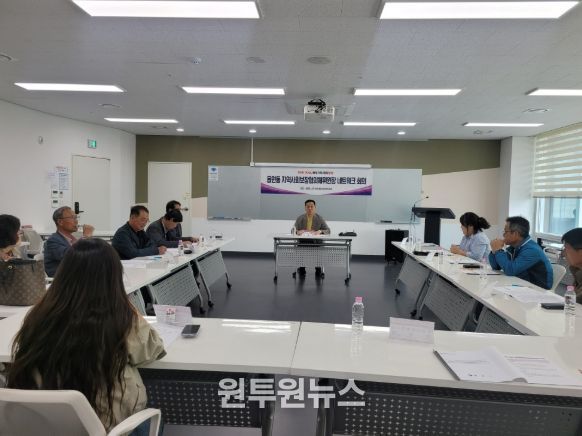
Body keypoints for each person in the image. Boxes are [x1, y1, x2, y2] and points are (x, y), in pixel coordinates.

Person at [7, 238, 166, 434]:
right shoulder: (120, 318)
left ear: (64, 273)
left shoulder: (39, 315)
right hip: (107, 427)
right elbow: (151, 350)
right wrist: (127, 305)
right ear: (113, 276)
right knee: (156, 420)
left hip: (46, 424)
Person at [489, 216, 553, 289]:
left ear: (515, 234)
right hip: (520, 285)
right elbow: (496, 267)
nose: (503, 235)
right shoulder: (514, 247)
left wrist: (498, 250)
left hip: (537, 290)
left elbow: (510, 270)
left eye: (505, 232)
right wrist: (494, 250)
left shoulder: (531, 250)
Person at [44, 206, 95, 277]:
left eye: (76, 217)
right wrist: (86, 237)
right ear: (60, 222)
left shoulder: (72, 239)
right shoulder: (53, 241)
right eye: (72, 218)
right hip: (63, 278)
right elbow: (72, 257)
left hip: (76, 275)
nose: (76, 221)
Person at [294, 199, 331, 277]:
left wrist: (320, 231)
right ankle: (302, 268)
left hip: (316, 242)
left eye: (312, 206)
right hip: (303, 242)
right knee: (300, 247)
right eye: (308, 207)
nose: (310, 208)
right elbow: (293, 230)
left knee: (318, 248)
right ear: (305, 208)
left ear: (315, 207)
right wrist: (297, 232)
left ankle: (318, 268)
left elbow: (328, 230)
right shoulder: (300, 218)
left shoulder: (319, 218)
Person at [561, 228, 582, 303]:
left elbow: (574, 303)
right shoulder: (578, 271)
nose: (563, 254)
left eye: (566, 248)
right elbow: (570, 303)